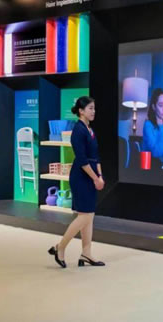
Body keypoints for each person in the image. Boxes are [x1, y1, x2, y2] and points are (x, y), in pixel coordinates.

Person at [49, 96, 106, 268]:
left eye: (94, 108)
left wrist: (100, 176)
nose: (93, 111)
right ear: (81, 111)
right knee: (85, 215)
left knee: (89, 215)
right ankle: (60, 247)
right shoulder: (78, 131)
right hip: (81, 177)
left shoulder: (90, 130)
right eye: (90, 108)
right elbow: (82, 160)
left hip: (91, 175)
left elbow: (96, 156)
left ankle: (86, 253)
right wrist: (95, 178)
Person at [142, 88, 163, 162]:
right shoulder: (148, 125)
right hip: (151, 166)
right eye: (160, 105)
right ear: (154, 107)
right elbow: (155, 152)